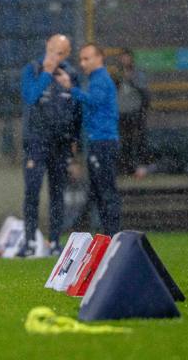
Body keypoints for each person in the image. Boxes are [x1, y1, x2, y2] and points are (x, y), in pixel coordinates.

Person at [19, 34, 81, 257]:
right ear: (47, 45)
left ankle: (55, 242)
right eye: (54, 50)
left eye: (62, 53)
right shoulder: (32, 70)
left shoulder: (71, 74)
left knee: (58, 194)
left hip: (61, 143)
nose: (57, 56)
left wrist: (74, 141)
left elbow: (77, 110)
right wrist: (46, 73)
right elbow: (30, 97)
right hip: (36, 142)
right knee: (32, 192)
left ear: (68, 54)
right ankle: (30, 242)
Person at [56, 43, 121, 236]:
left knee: (105, 191)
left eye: (87, 58)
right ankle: (107, 234)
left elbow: (94, 101)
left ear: (99, 58)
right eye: (81, 59)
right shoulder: (96, 79)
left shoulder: (100, 79)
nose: (83, 63)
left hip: (103, 141)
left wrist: (71, 89)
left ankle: (112, 235)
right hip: (98, 141)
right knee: (99, 190)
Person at [115, 48, 151, 178]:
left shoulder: (138, 74)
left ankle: (141, 166)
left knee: (139, 140)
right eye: (123, 57)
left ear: (131, 59)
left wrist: (131, 80)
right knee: (125, 141)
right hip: (122, 112)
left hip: (135, 112)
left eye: (127, 57)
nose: (125, 60)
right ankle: (126, 167)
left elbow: (145, 92)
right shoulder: (117, 74)